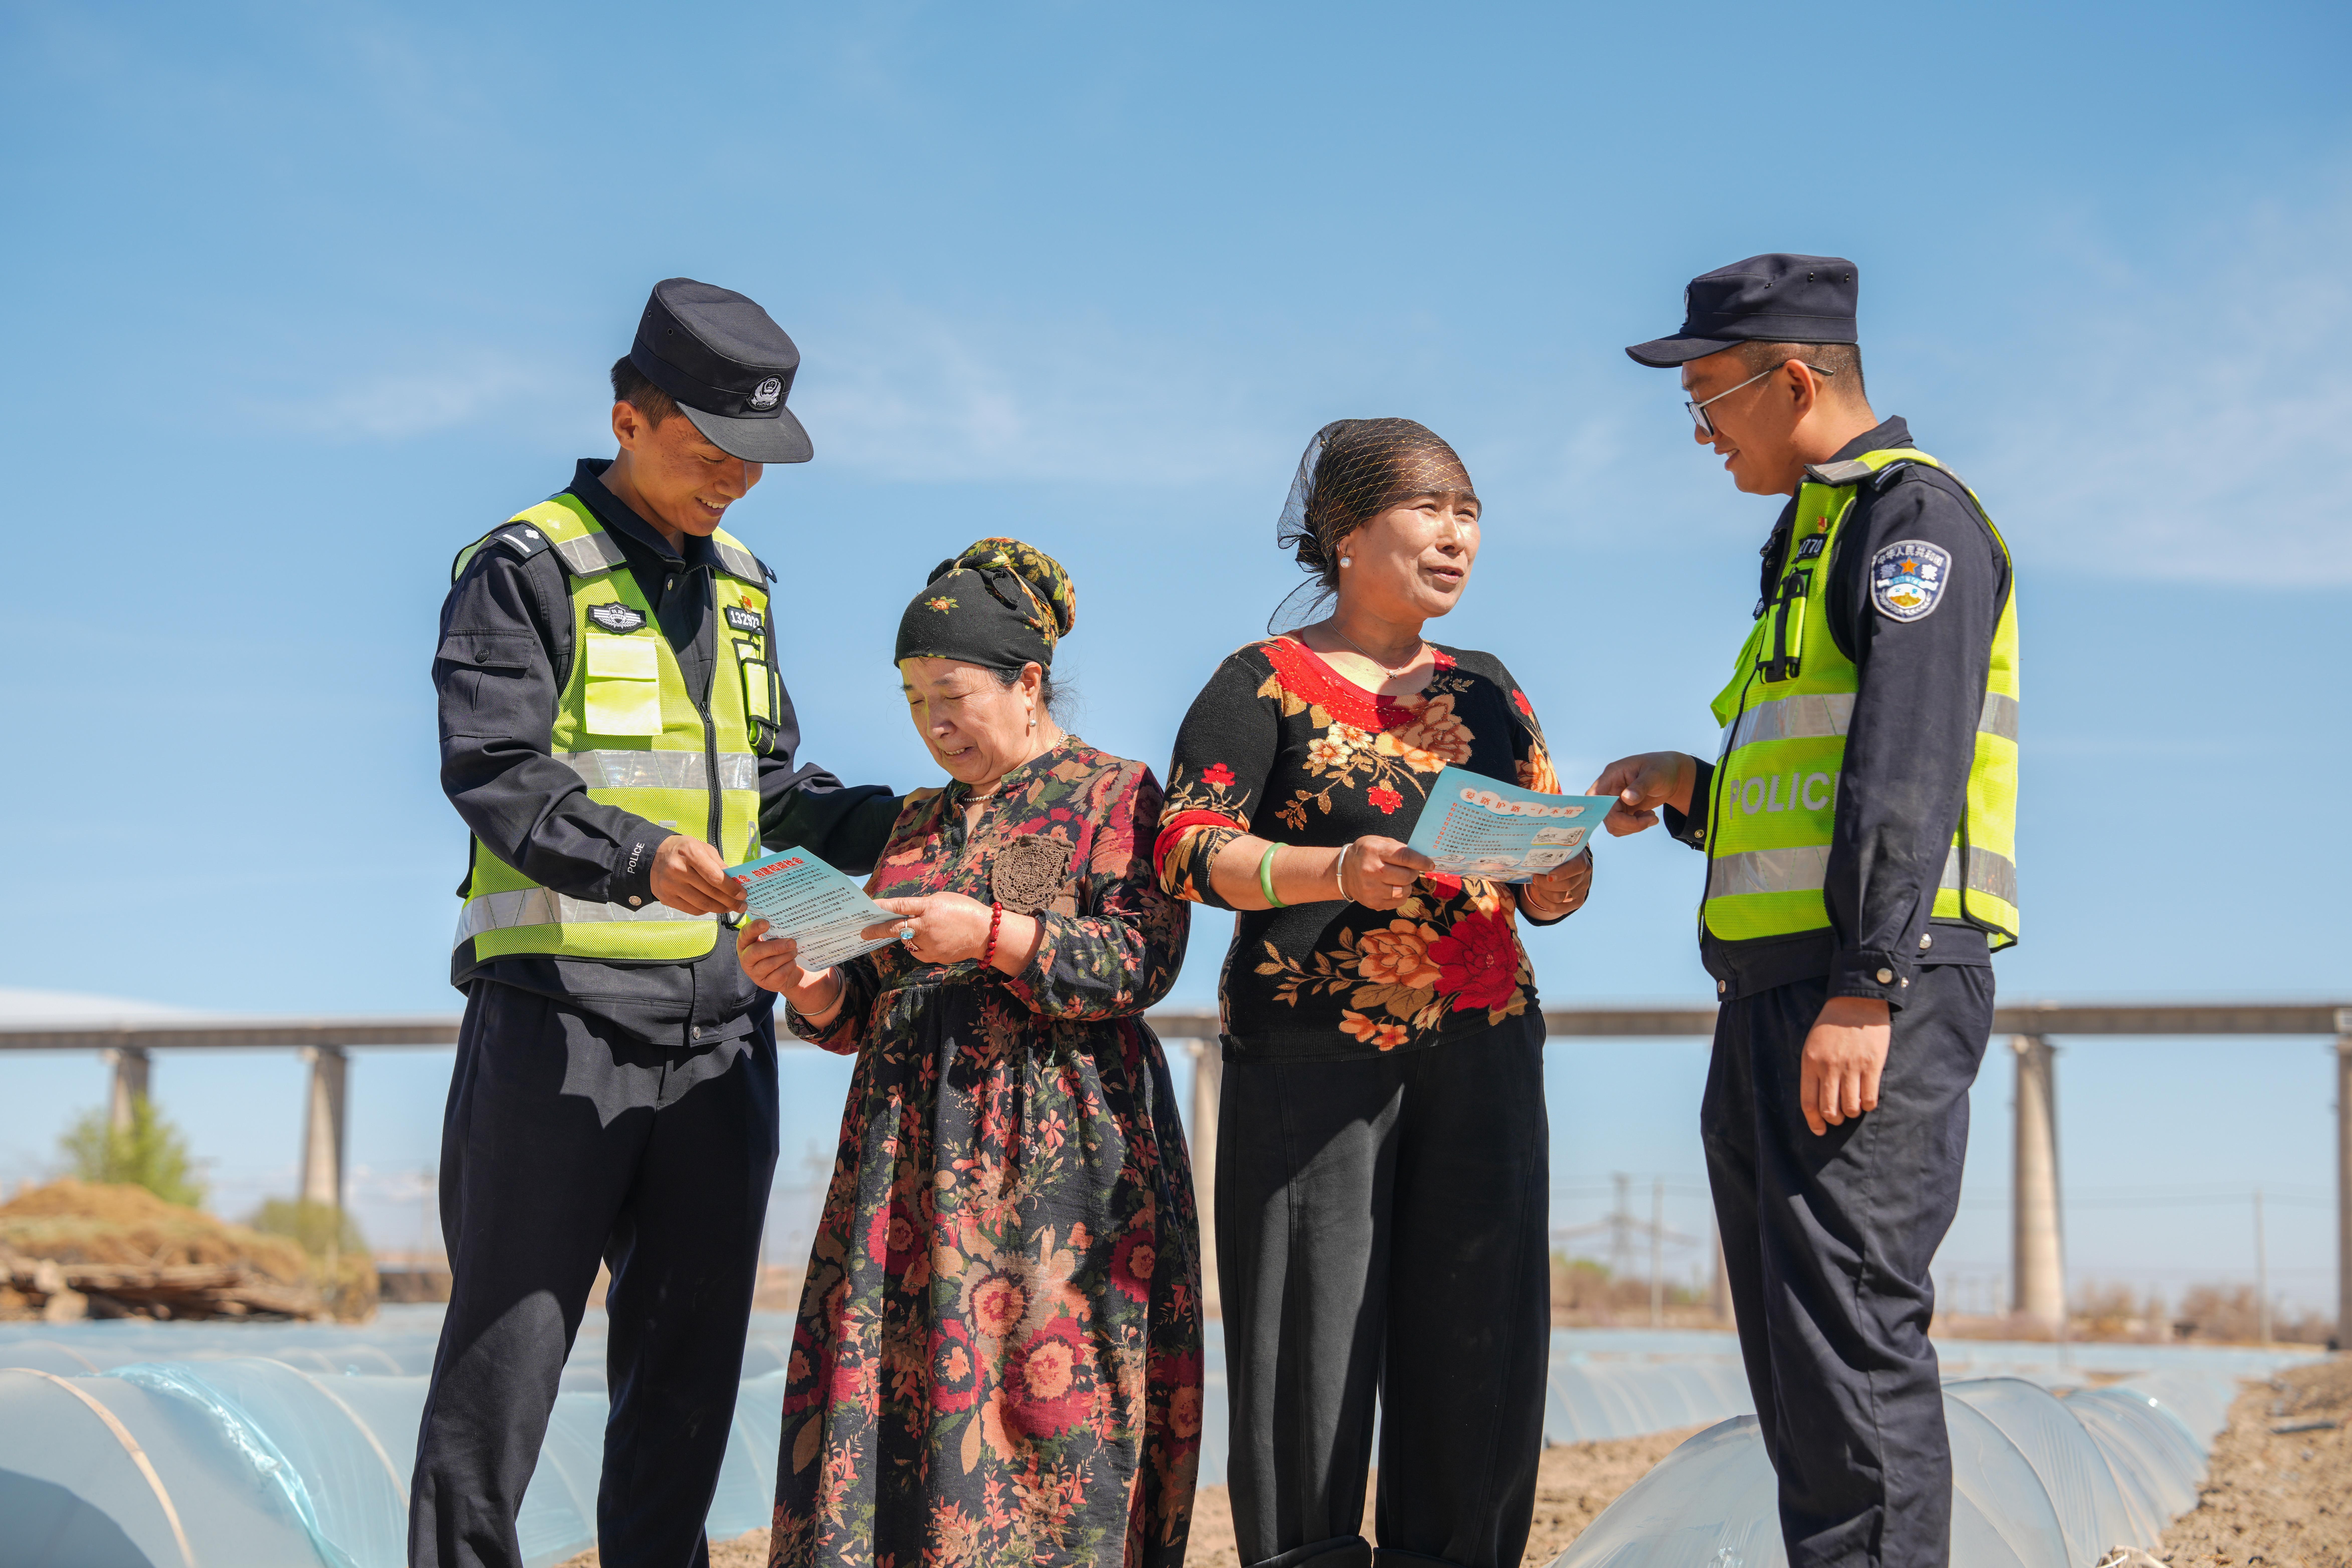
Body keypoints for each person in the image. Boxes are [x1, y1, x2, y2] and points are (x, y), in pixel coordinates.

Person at [418, 278, 899, 1568]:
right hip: (557, 1027)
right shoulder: (523, 568)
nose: (735, 482)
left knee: (686, 1378)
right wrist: (637, 858)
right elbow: (497, 768)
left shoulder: (743, 585)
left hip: (723, 1034)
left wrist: (912, 822)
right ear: (629, 416)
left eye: (756, 461)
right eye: (710, 454)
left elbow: (772, 789)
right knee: (502, 1368)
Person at [1593, 254, 2020, 1568]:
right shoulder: (1812, 538)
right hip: (1774, 989)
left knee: (1850, 1341)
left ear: (1791, 379)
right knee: (1796, 1363)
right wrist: (1694, 793)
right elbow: (1817, 780)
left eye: (1707, 395)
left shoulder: (1913, 519)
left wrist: (1865, 984)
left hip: (1865, 990)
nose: (1701, 429)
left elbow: (1906, 765)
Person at [1155, 419, 1593, 1568]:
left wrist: (1561, 845)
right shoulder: (1259, 682)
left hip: (1487, 1051)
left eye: (1470, 513)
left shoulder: (1490, 689)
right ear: (1349, 535)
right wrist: (1333, 870)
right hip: (1312, 1059)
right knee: (1310, 1353)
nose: (1458, 536)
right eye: (1431, 510)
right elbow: (1187, 848)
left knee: (1481, 1340)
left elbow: (1554, 893)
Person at [740, 539, 1202, 1567]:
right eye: (912, 701)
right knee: (896, 1404)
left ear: (1028, 682)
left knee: (1054, 1416)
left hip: (1065, 1160)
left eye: (951, 694)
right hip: (908, 1162)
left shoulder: (1118, 793)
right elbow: (863, 1005)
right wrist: (801, 975)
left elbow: (1140, 957)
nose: (933, 723)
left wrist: (991, 934)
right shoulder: (912, 821)